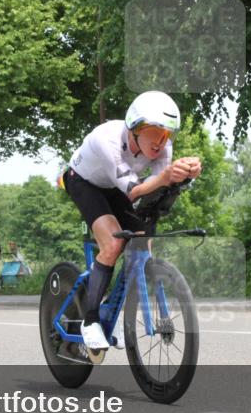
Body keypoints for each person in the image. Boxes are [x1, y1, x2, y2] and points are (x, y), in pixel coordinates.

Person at [60, 90, 201, 352]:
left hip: (117, 186)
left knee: (142, 247)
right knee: (113, 245)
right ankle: (90, 321)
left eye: (167, 133)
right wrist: (166, 176)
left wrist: (185, 175)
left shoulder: (163, 147)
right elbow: (134, 191)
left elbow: (157, 190)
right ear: (135, 128)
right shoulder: (108, 140)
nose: (161, 141)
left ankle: (112, 316)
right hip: (83, 181)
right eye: (155, 131)